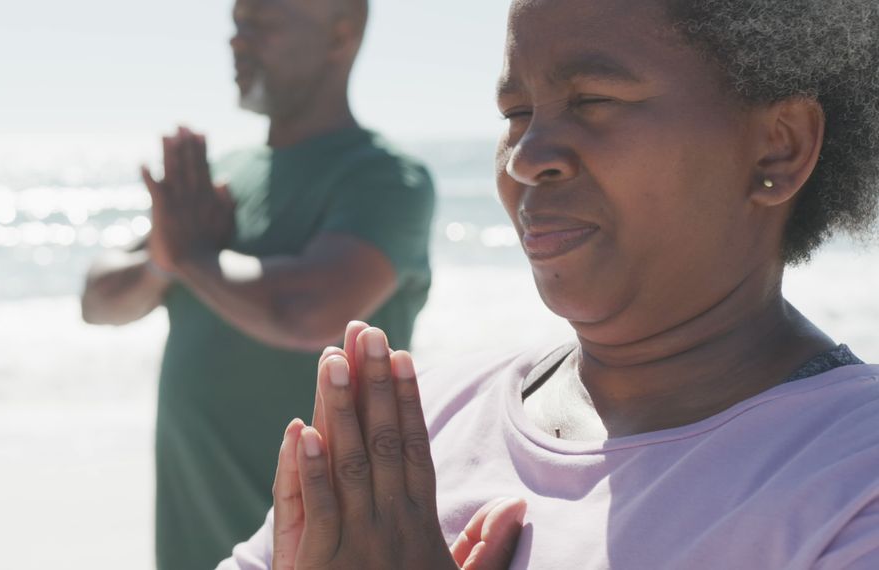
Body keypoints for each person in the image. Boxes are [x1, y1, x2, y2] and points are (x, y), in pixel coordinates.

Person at [221, 0, 879, 567]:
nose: (528, 157)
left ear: (779, 147)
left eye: (593, 100)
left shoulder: (850, 477)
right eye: (515, 112)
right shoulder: (425, 422)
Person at [80, 0, 435, 567]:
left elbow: (308, 310)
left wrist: (192, 257)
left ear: (340, 33)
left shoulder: (385, 179)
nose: (237, 41)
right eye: (237, 23)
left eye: (262, 22)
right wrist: (163, 263)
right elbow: (97, 300)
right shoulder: (223, 177)